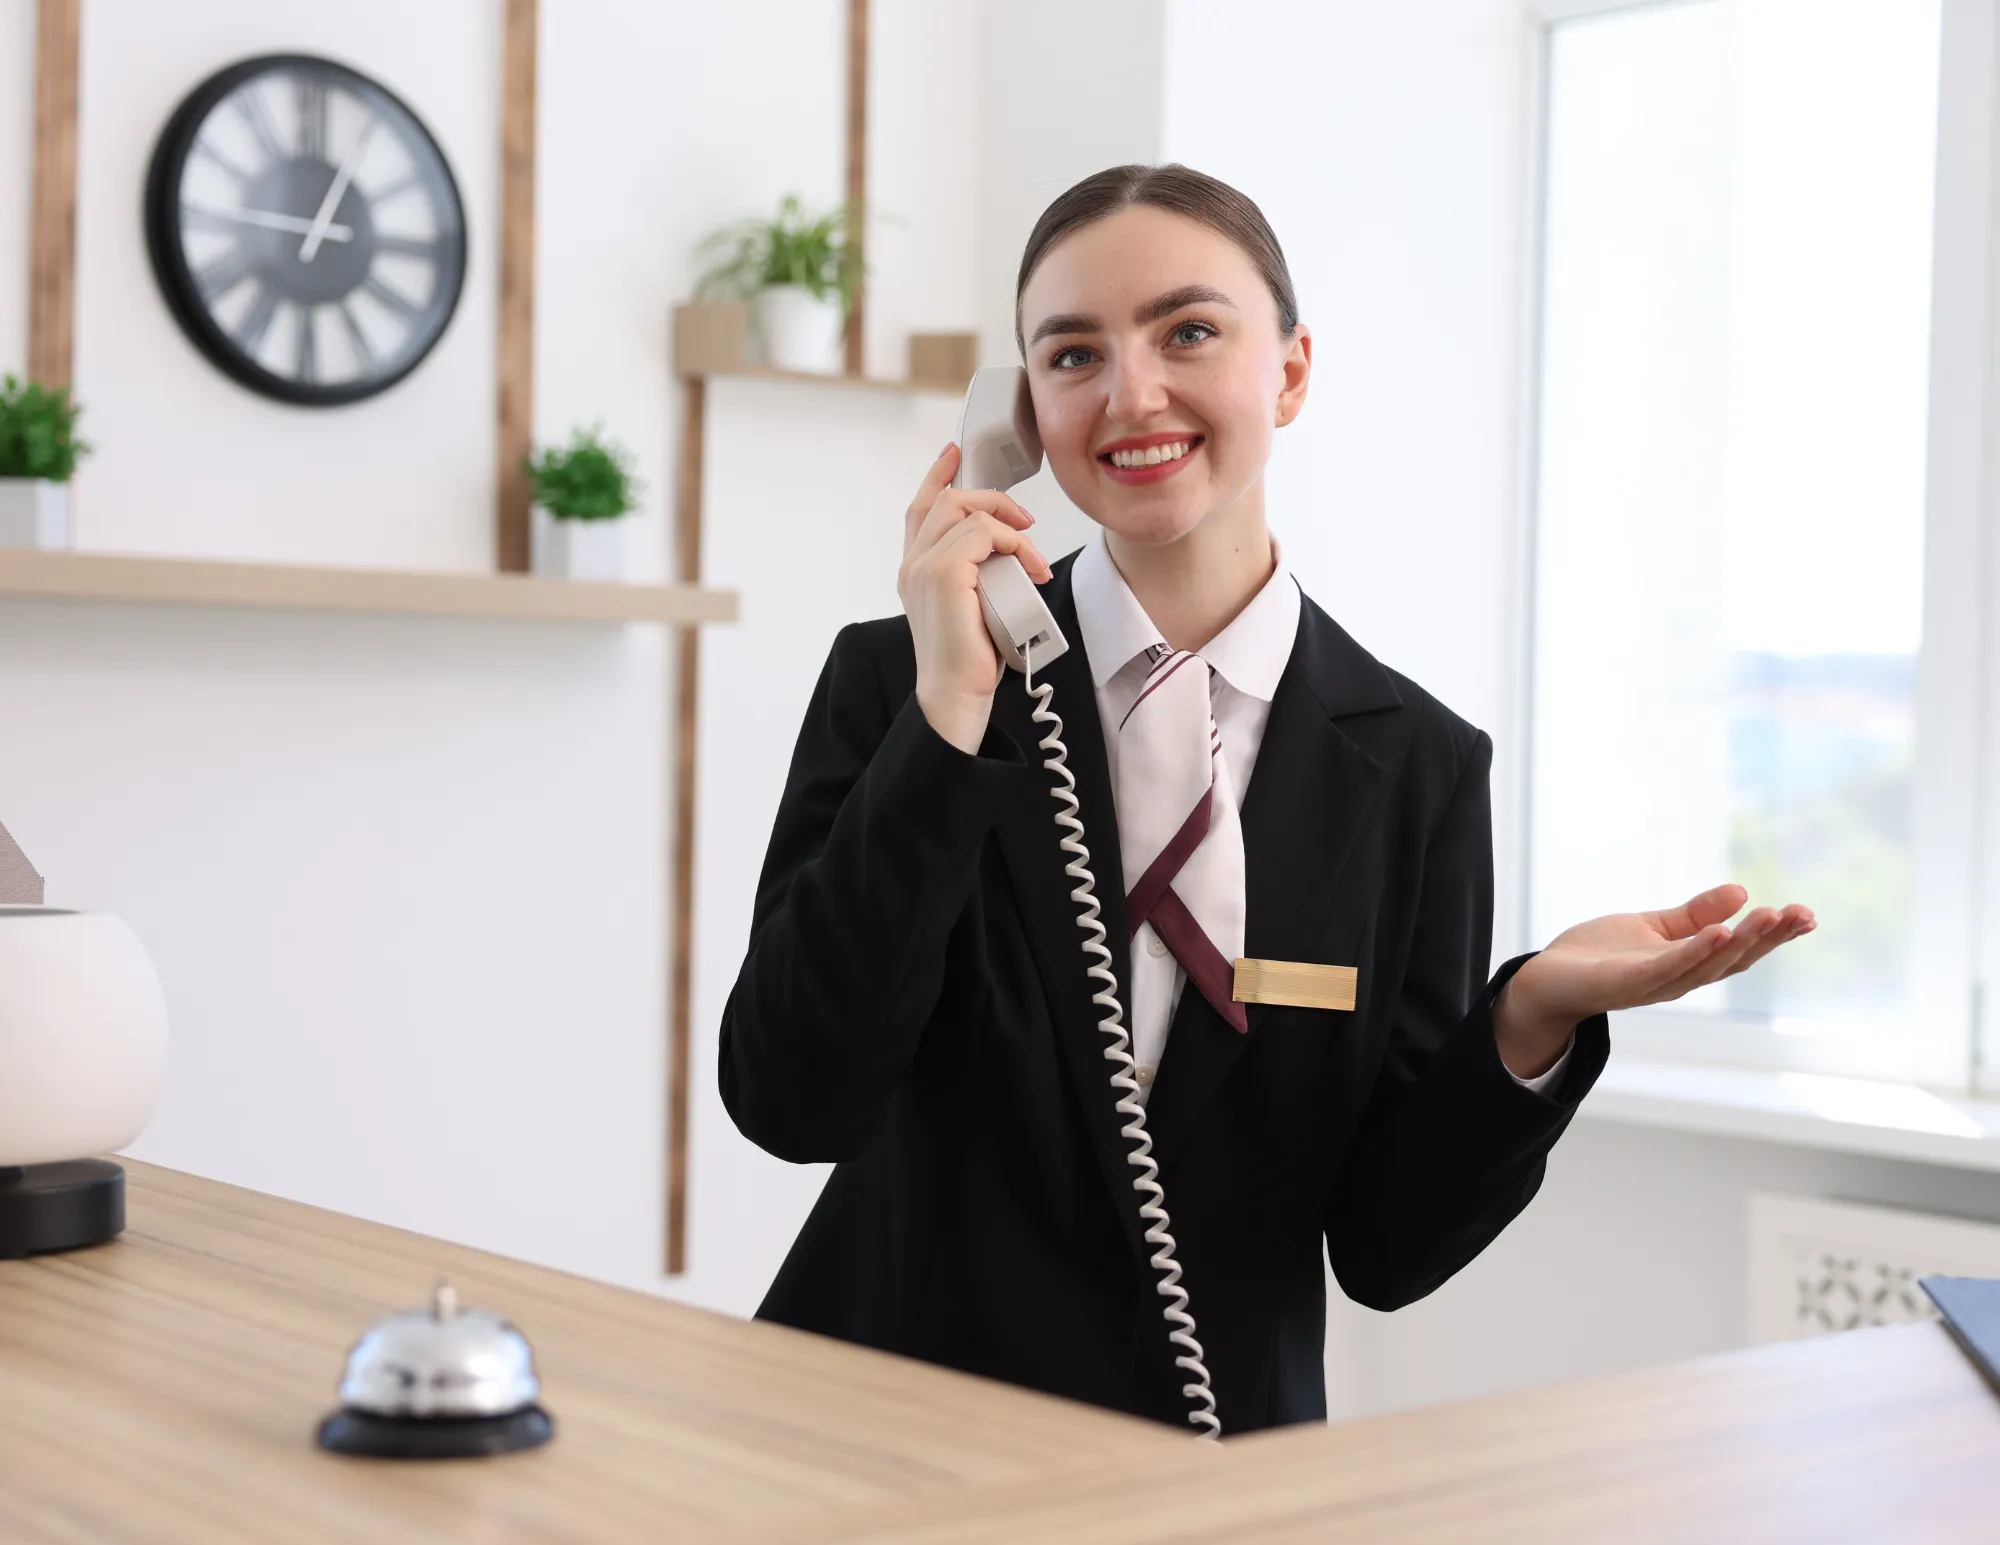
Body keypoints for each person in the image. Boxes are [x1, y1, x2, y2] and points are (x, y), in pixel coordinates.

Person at [718, 164, 1813, 1436]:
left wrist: (1527, 1015)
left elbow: (1388, 1248)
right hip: (874, 1439)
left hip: (1212, 1465)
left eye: (1187, 332)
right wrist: (949, 714)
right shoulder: (901, 684)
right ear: (1018, 409)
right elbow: (791, 1100)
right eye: (1072, 355)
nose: (1131, 393)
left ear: (1288, 373)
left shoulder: (1415, 764)